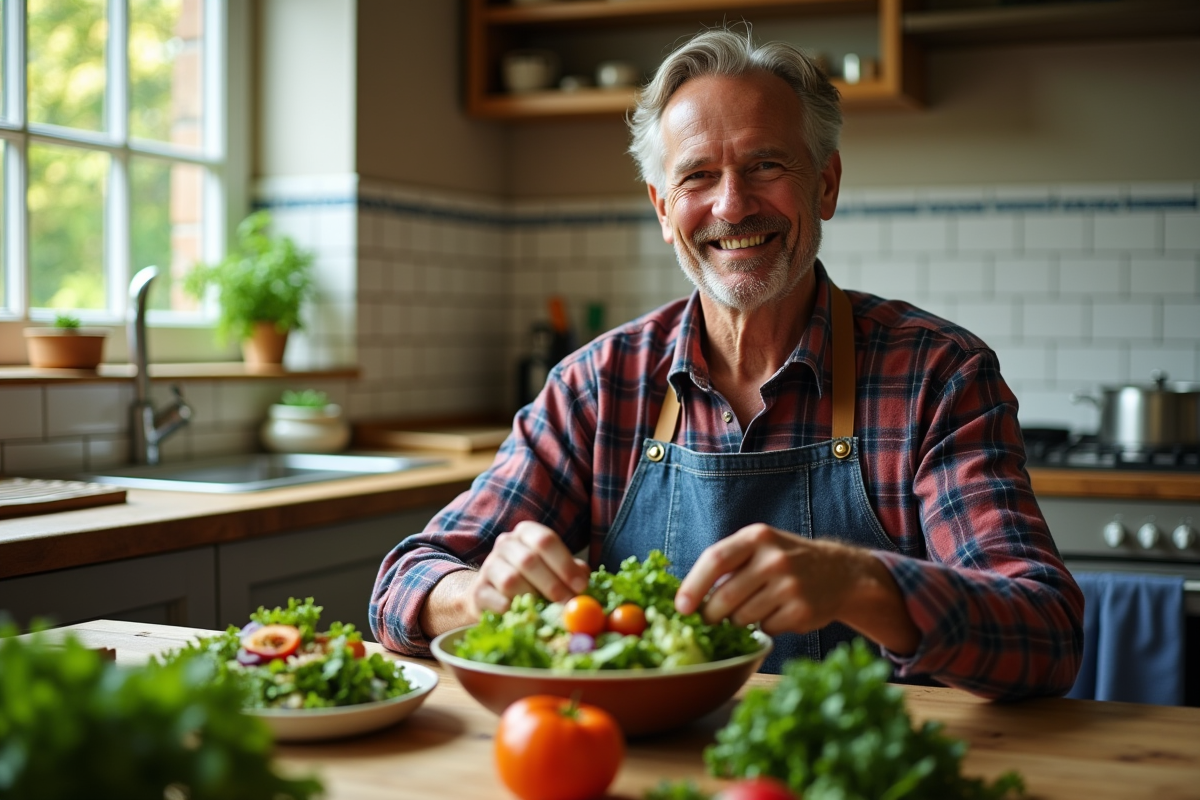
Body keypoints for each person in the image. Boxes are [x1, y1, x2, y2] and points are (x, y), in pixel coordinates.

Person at [370, 28, 1084, 700]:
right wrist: (476, 593)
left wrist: (862, 584)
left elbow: (1045, 634)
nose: (733, 205)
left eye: (766, 165)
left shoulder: (938, 375)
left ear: (826, 185)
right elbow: (402, 582)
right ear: (661, 208)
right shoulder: (598, 384)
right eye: (698, 176)